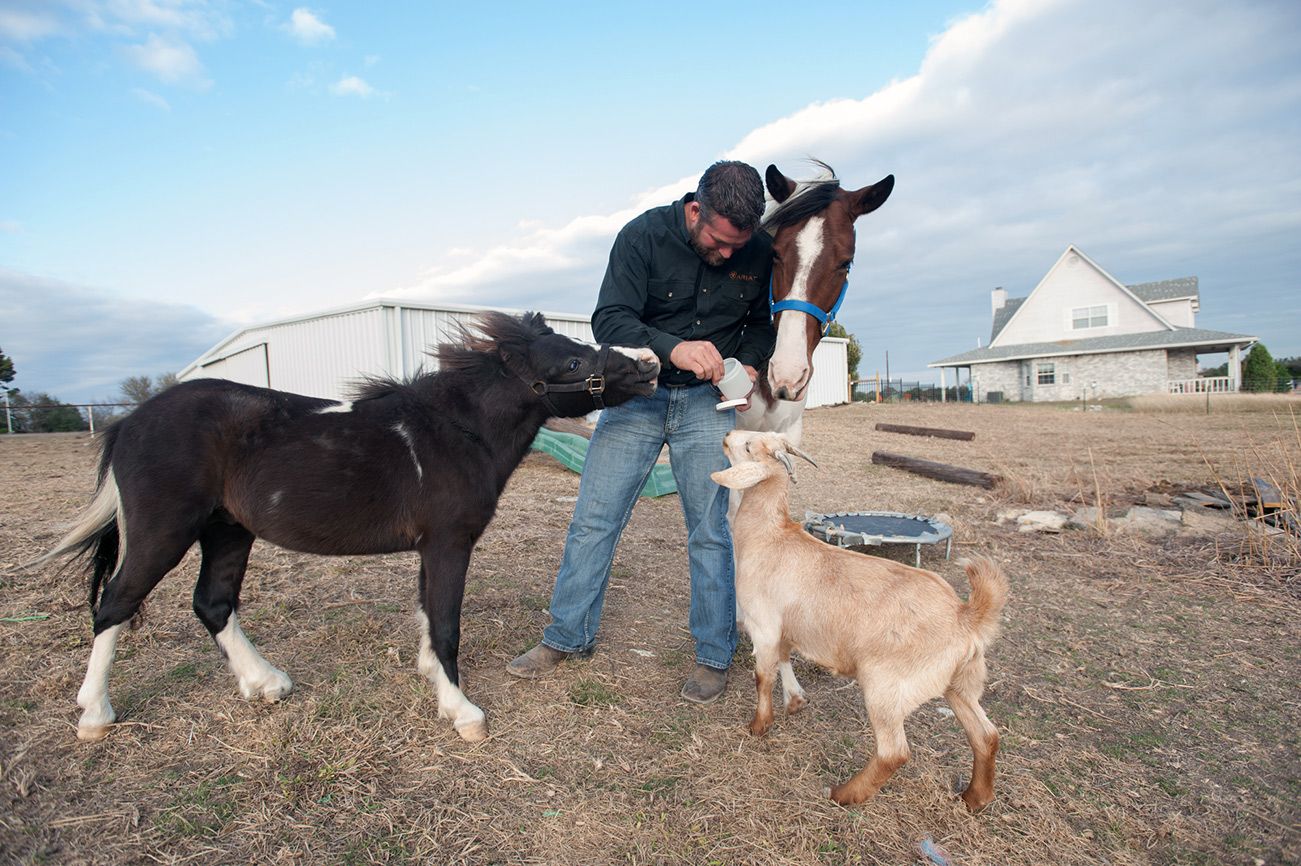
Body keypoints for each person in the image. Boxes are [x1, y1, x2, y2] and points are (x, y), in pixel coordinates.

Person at [507, 161, 775, 703]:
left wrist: (747, 362)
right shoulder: (641, 236)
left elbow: (762, 325)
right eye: (718, 242)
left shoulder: (758, 251)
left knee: (709, 530)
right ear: (695, 210)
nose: (727, 255)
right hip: (637, 396)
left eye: (736, 248)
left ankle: (713, 656)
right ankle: (565, 637)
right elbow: (610, 319)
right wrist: (673, 348)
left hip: (709, 404)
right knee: (594, 520)